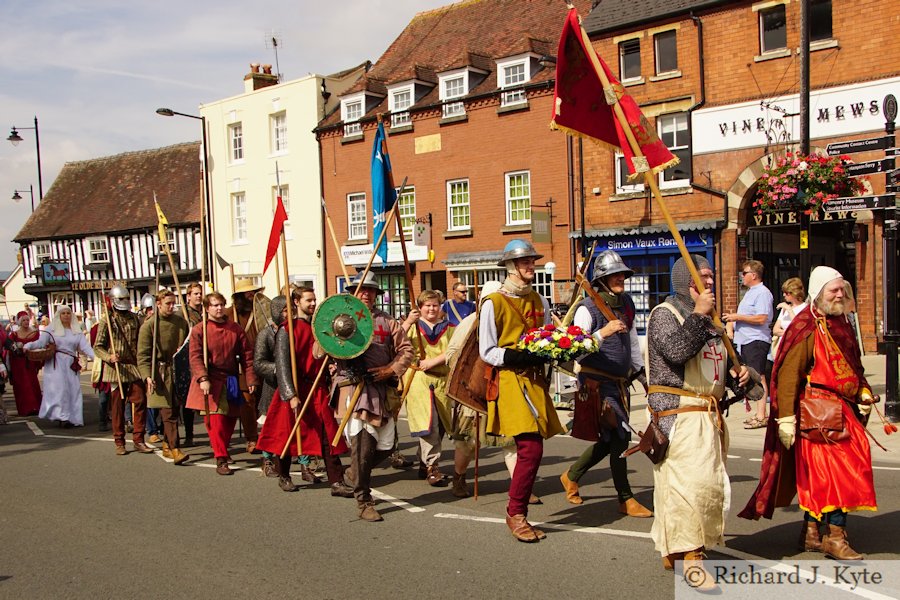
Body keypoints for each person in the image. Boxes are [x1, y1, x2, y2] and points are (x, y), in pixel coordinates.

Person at [739, 266, 877, 560]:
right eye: (833, 290)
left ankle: (811, 533)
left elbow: (854, 366)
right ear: (818, 293)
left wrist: (862, 391)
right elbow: (788, 374)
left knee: (821, 478)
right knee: (839, 475)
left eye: (842, 289)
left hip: (843, 410)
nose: (839, 295)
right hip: (817, 413)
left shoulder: (842, 322)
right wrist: (785, 418)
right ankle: (835, 538)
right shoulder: (806, 326)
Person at [646, 255, 760, 579]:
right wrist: (698, 315)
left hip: (708, 417)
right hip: (679, 415)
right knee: (691, 489)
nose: (710, 282)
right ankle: (692, 559)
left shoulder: (713, 324)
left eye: (711, 277)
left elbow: (726, 373)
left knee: (702, 487)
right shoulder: (664, 315)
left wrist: (745, 376)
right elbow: (677, 352)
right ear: (687, 282)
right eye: (704, 277)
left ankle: (675, 550)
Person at [479, 239, 565, 543]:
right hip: (510, 379)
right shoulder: (493, 303)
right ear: (512, 267)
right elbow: (487, 350)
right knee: (530, 448)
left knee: (533, 447)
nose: (532, 266)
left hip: (534, 379)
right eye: (526, 262)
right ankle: (515, 513)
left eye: (532, 261)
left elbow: (545, 337)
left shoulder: (540, 301)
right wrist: (518, 355)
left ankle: (517, 510)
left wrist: (557, 349)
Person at [559, 250, 652, 518]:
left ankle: (571, 475)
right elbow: (575, 349)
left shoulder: (627, 304)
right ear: (602, 279)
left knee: (610, 439)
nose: (621, 278)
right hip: (595, 382)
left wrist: (640, 372)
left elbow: (632, 340)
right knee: (621, 436)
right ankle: (625, 498)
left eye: (622, 273)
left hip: (620, 382)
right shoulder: (586, 308)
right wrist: (603, 332)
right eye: (614, 274)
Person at [328, 271, 414, 522]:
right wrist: (334, 332)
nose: (365, 293)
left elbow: (406, 351)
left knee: (386, 447)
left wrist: (390, 369)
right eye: (360, 289)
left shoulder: (388, 322)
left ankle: (354, 472)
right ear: (353, 293)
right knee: (363, 446)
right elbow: (318, 351)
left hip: (381, 390)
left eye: (370, 290)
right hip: (353, 388)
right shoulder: (340, 319)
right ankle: (364, 500)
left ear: (376, 294)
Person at [257, 290, 354, 496]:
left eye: (314, 300)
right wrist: (290, 394)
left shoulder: (318, 329)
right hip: (295, 387)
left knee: (329, 434)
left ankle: (336, 481)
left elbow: (320, 355)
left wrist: (329, 367)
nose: (313, 303)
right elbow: (282, 364)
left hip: (317, 387)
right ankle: (284, 475)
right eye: (308, 300)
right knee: (287, 432)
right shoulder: (286, 330)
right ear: (296, 302)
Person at [445, 280, 521, 499]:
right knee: (467, 443)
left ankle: (519, 489)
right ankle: (458, 478)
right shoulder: (469, 323)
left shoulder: (508, 322)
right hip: (473, 393)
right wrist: (473, 370)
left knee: (511, 443)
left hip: (503, 389)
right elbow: (452, 356)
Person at [185, 292, 258, 475]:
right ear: (207, 308)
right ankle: (221, 458)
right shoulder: (199, 330)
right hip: (211, 379)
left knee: (230, 419)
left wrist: (250, 378)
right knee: (215, 421)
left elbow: (247, 357)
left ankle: (222, 449)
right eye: (215, 305)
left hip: (231, 378)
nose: (219, 308)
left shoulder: (235, 329)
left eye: (221, 305)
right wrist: (202, 377)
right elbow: (194, 357)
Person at [401, 290, 454, 487]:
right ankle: (433, 467)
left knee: (440, 424)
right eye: (427, 306)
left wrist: (433, 361)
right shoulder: (413, 327)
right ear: (420, 308)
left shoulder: (449, 328)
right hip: (418, 380)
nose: (431, 309)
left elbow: (453, 350)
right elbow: (395, 341)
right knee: (428, 423)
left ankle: (424, 461)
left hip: (441, 379)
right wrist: (407, 322)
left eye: (435, 305)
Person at [93, 285, 154, 455]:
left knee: (141, 401)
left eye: (127, 298)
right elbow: (97, 346)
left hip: (134, 366)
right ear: (113, 301)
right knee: (118, 406)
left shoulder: (135, 318)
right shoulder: (107, 319)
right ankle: (119, 441)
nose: (124, 302)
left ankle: (139, 439)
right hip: (116, 368)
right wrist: (109, 357)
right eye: (121, 299)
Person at [137, 289, 191, 465]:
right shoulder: (149, 326)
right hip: (159, 373)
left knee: (175, 409)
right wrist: (147, 376)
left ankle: (167, 444)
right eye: (168, 303)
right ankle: (176, 449)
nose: (171, 306)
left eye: (173, 302)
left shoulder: (181, 323)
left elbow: (187, 345)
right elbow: (143, 356)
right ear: (158, 304)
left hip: (177, 370)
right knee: (168, 413)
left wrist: (182, 351)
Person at [723, 259, 773, 429]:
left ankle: (762, 415)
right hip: (746, 340)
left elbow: (762, 318)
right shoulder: (751, 292)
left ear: (753, 275)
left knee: (759, 376)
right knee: (751, 375)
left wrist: (737, 317)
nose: (742, 276)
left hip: (756, 340)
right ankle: (758, 412)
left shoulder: (762, 293)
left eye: (744, 273)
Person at [38, 305, 95, 427]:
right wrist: (28, 346)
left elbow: (85, 347)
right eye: (63, 313)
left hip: (70, 363)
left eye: (68, 313)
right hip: (56, 364)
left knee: (74, 390)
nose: (66, 315)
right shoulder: (50, 329)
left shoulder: (76, 331)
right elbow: (40, 343)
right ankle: (63, 417)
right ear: (58, 315)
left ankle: (73, 417)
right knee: (60, 390)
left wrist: (98, 358)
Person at [230, 279, 266, 454]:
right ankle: (252, 438)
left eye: (254, 292)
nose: (251, 295)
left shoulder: (261, 311)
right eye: (248, 293)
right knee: (247, 401)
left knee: (262, 402)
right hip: (241, 364)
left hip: (261, 360)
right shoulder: (230, 315)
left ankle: (266, 437)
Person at [254, 295, 287, 478]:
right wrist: (281, 369)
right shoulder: (266, 334)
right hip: (272, 386)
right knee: (269, 425)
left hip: (293, 385)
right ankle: (267, 459)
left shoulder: (293, 331)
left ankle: (305, 463)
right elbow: (259, 363)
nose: (287, 313)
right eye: (283, 310)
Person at [181, 282, 205, 446]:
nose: (198, 296)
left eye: (200, 293)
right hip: (189, 356)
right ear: (188, 296)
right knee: (189, 399)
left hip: (205, 354)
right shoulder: (183, 314)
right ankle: (189, 434)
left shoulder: (205, 312)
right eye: (195, 293)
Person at [7, 311, 43, 417]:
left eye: (27, 320)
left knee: (32, 383)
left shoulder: (35, 333)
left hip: (31, 362)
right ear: (19, 322)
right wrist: (16, 348)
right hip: (18, 363)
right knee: (21, 385)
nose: (26, 322)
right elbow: (9, 347)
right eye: (24, 320)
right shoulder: (14, 334)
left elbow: (40, 345)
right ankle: (25, 409)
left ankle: (36, 407)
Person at [770, 277, 807, 360]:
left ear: (794, 293)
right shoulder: (784, 309)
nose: (784, 295)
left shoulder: (805, 308)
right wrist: (790, 333)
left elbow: (799, 329)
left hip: (796, 349)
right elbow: (775, 330)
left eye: (786, 293)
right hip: (782, 348)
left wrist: (790, 310)